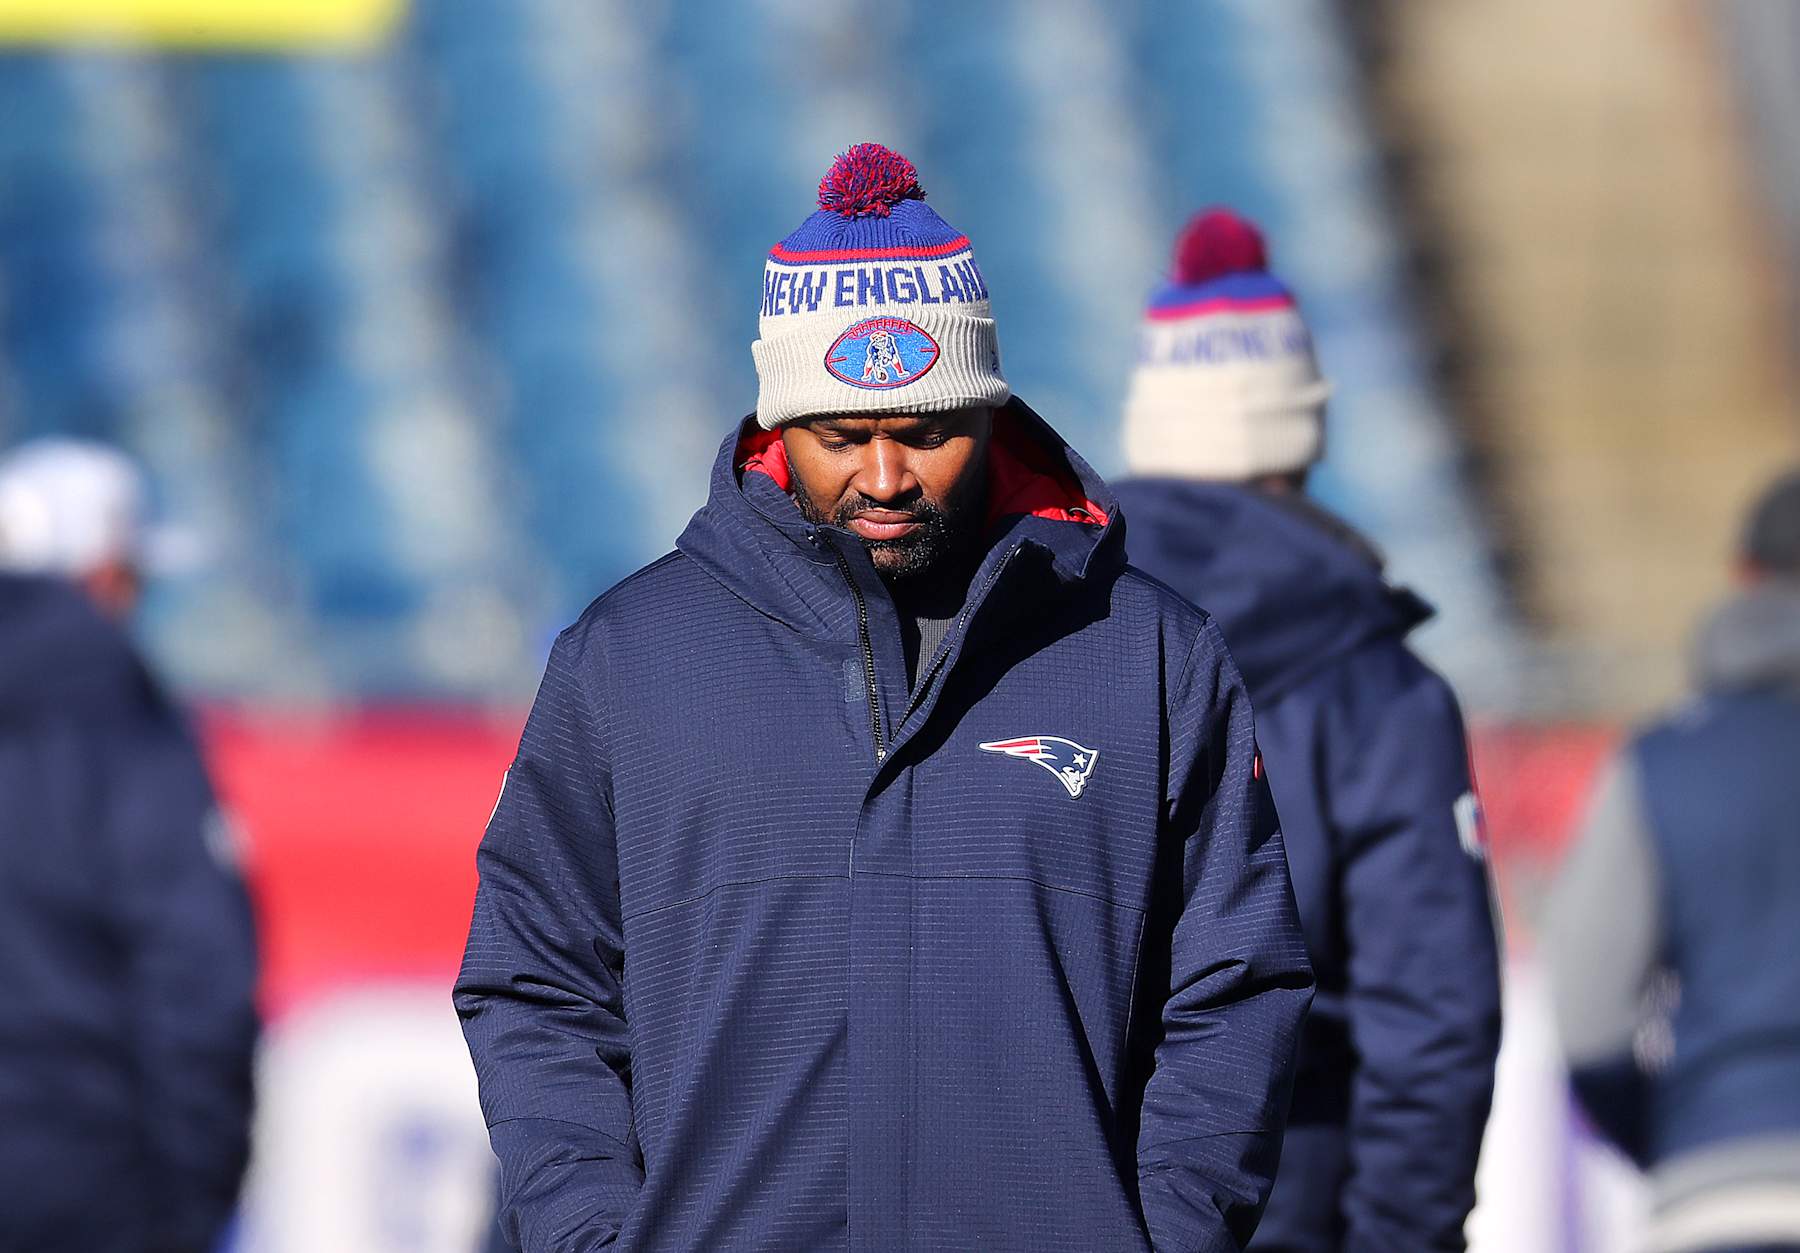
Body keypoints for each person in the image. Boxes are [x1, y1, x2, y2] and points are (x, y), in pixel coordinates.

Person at [455, 145, 1313, 1252]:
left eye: (925, 432)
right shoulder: (631, 657)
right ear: (777, 424)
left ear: (991, 414)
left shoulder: (1148, 653)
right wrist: (592, 1233)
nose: (886, 477)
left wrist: (1163, 1234)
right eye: (842, 435)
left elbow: (1238, 986)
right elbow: (535, 982)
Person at [1112, 210, 1502, 1252]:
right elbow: (1431, 1020)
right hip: (1293, 1186)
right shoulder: (1378, 682)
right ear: (1300, 426)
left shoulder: (1033, 631)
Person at [0, 439, 258, 1253]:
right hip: (86, 1176)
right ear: (104, 573)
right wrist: (190, 1200)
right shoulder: (123, 720)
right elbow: (195, 976)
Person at [1545, 469, 1800, 1253]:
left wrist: (1672, 1137)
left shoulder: (1659, 764)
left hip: (1718, 1184)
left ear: (1742, 578)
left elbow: (1589, 1017)